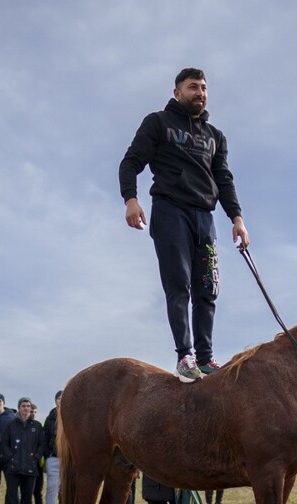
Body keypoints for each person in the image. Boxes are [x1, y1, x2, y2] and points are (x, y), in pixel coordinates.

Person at [119, 67, 250, 382]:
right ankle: (185, 356)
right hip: (170, 211)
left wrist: (237, 218)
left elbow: (224, 178)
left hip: (204, 217)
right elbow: (130, 162)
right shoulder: (158, 123)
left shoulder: (215, 137)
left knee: (208, 289)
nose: (200, 93)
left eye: (204, 87)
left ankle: (205, 358)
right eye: (193, 87)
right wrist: (130, 200)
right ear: (177, 92)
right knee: (180, 285)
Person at [0, 398, 45, 504]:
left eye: (28, 406)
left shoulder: (36, 426)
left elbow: (42, 444)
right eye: (23, 406)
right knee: (11, 495)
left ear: (31, 409)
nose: (26, 408)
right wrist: (11, 458)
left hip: (30, 467)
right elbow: (4, 444)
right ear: (19, 408)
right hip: (13, 468)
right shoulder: (11, 425)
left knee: (27, 496)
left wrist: (35, 458)